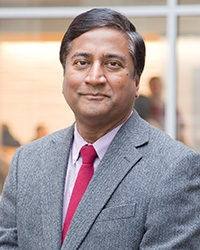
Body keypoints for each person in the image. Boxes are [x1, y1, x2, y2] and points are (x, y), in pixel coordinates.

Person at [0, 8, 200, 250]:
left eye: (112, 64)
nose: (95, 77)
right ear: (64, 76)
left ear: (136, 82)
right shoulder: (28, 160)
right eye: (81, 62)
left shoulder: (176, 167)